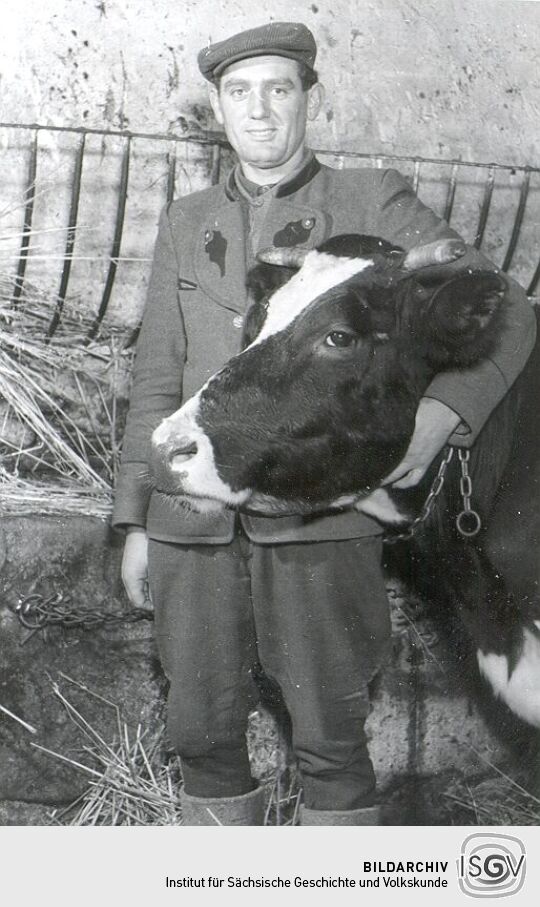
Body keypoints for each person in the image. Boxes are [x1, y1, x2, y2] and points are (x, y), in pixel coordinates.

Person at [113, 22, 536, 825]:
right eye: (240, 93)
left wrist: (440, 422)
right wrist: (135, 518)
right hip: (191, 525)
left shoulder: (369, 197)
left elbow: (502, 303)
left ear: (310, 97)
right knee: (199, 730)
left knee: (331, 740)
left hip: (318, 522)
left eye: (279, 89)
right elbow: (156, 378)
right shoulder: (183, 219)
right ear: (218, 109)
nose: (261, 112)